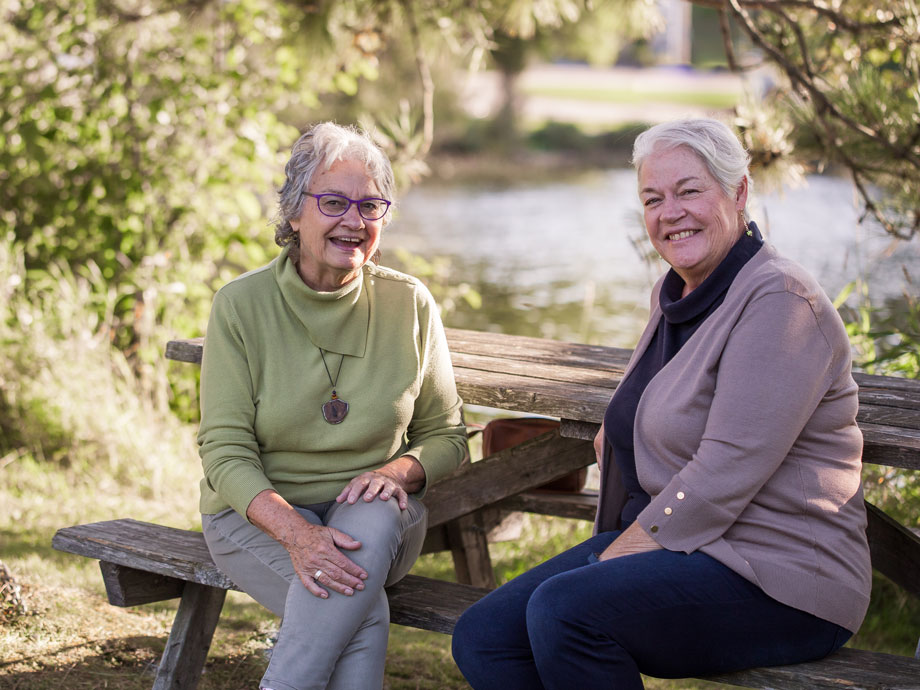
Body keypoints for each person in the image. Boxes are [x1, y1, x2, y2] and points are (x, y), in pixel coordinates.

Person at [451, 118, 871, 689]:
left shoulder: (781, 302)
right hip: (691, 544)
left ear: (739, 192)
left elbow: (725, 469)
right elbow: (646, 411)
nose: (670, 212)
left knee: (567, 612)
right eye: (653, 198)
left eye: (690, 190)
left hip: (783, 575)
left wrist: (614, 557)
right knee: (485, 636)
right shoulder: (676, 294)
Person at [197, 122, 468, 690]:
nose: (354, 221)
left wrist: (396, 472)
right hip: (257, 517)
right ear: (295, 213)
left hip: (378, 524)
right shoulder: (240, 306)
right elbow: (224, 452)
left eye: (370, 205)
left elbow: (447, 436)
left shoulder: (409, 303)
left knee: (369, 517)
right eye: (334, 202)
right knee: (359, 608)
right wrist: (296, 532)